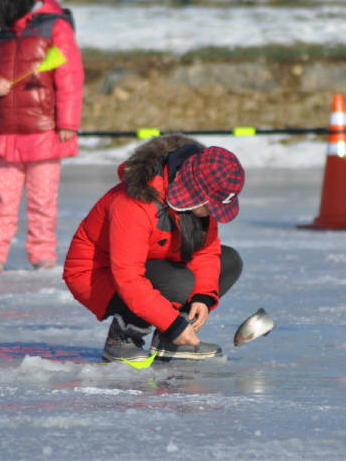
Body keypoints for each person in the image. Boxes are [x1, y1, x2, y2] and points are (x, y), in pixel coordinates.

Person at [63, 135, 245, 362]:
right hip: (96, 274)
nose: (213, 212)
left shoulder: (199, 204)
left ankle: (169, 341)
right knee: (178, 281)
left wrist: (203, 298)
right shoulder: (135, 203)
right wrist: (172, 322)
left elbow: (205, 252)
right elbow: (128, 277)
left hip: (155, 263)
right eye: (211, 206)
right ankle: (122, 338)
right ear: (196, 192)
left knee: (229, 261)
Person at [0, 0, 84, 274]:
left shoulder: (55, 27)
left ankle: (42, 253)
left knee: (42, 199)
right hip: (8, 131)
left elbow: (69, 76)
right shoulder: (5, 33)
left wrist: (67, 123)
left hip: (45, 130)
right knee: (3, 199)